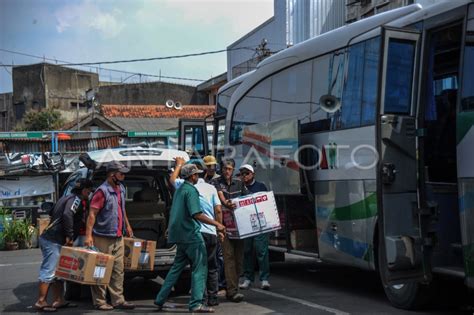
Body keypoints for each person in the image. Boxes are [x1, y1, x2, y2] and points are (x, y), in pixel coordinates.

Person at [154, 164, 226, 313]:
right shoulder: (191, 190)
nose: (198, 176)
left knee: (176, 269)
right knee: (200, 268)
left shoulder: (179, 190)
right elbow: (196, 214)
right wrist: (217, 224)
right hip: (191, 235)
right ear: (192, 176)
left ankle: (160, 299)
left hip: (180, 236)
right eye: (196, 174)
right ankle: (196, 304)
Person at [169, 157, 223, 306]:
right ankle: (213, 298)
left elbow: (172, 179)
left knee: (198, 267)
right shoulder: (211, 188)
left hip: (196, 233)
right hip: (211, 233)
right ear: (200, 174)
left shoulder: (186, 186)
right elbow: (218, 210)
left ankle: (202, 298)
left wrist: (178, 165)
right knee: (212, 267)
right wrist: (220, 228)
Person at [34, 178, 93, 312]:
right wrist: (70, 235)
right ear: (84, 190)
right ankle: (41, 301)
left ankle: (59, 300)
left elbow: (53, 212)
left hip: (53, 239)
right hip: (53, 240)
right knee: (49, 270)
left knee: (58, 273)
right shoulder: (76, 200)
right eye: (89, 191)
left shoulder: (66, 197)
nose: (89, 194)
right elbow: (67, 214)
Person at [84, 161, 135, 311]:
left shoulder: (121, 189)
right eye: (121, 173)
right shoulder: (102, 191)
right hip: (102, 237)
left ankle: (118, 300)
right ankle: (99, 301)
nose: (124, 176)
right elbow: (92, 214)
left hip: (118, 237)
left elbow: (121, 209)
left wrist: (128, 225)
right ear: (112, 175)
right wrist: (88, 236)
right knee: (100, 270)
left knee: (118, 271)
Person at [212, 158, 248, 303]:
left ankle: (231, 288)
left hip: (240, 227)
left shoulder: (239, 184)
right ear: (221, 169)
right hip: (224, 227)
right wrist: (226, 203)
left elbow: (247, 200)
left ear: (233, 170)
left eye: (230, 169)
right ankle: (232, 291)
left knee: (239, 260)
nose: (227, 171)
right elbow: (220, 196)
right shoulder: (216, 182)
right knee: (229, 258)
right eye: (225, 168)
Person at [238, 164, 271, 290]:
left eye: (247, 173)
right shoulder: (239, 187)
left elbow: (267, 204)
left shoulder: (260, 186)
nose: (244, 176)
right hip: (246, 224)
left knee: (261, 251)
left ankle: (264, 279)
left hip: (259, 224)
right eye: (242, 174)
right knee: (247, 252)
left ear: (253, 174)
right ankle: (248, 278)